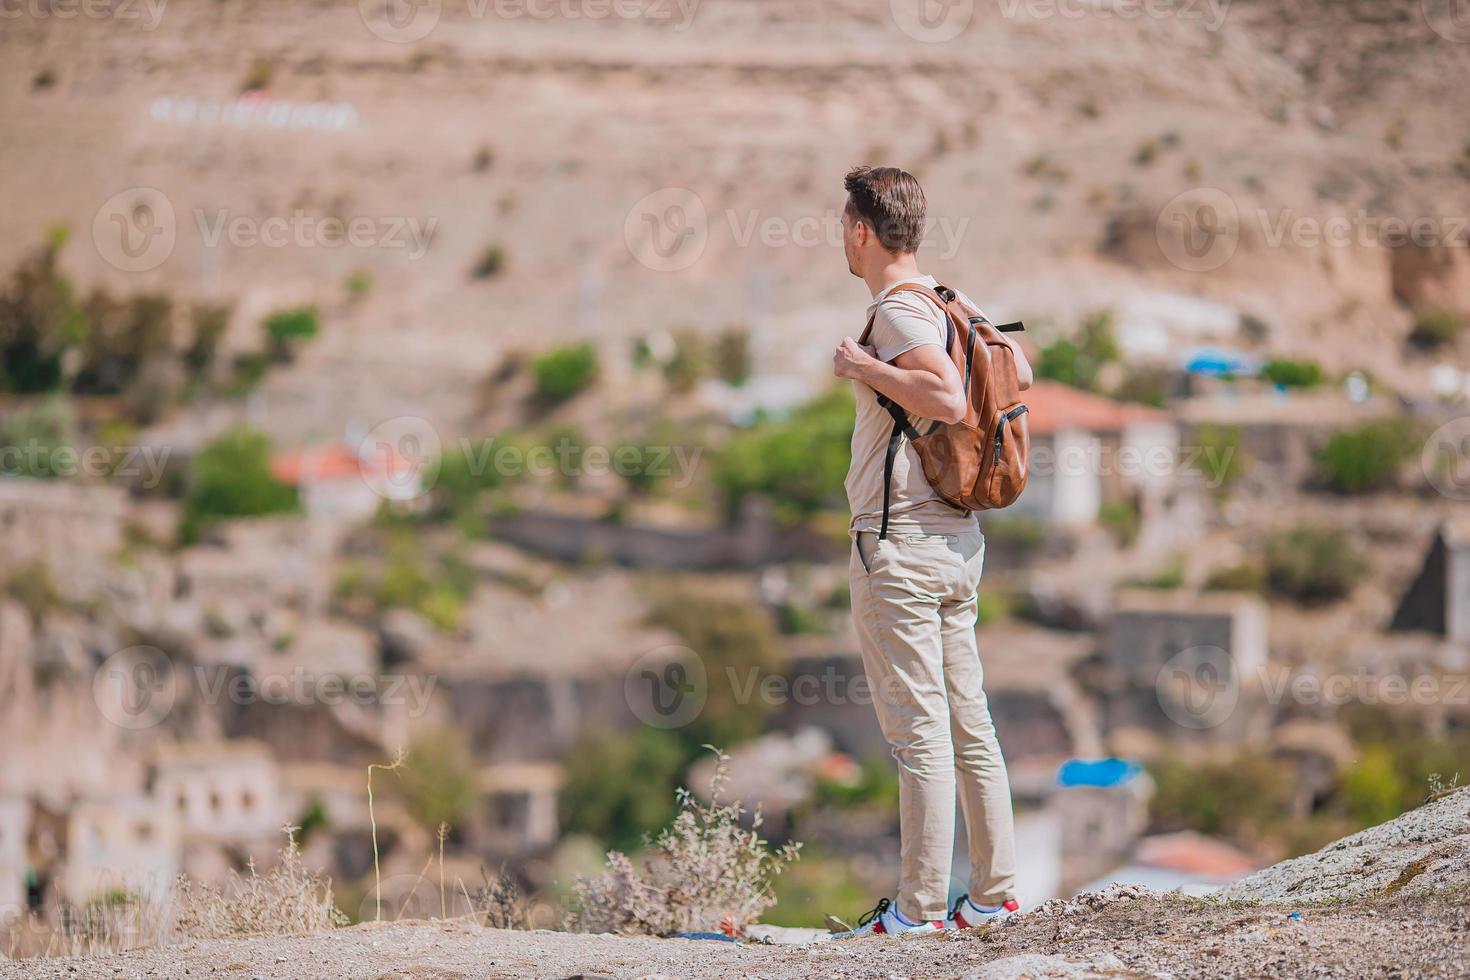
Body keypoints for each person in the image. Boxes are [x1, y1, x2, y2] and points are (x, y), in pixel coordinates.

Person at [832, 165, 1031, 935]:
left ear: (860, 231)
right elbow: (1019, 369)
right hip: (957, 541)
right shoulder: (953, 299)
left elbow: (948, 396)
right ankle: (992, 896)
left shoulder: (894, 312)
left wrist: (863, 368)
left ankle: (916, 914)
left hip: (903, 547)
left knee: (919, 735)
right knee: (967, 722)